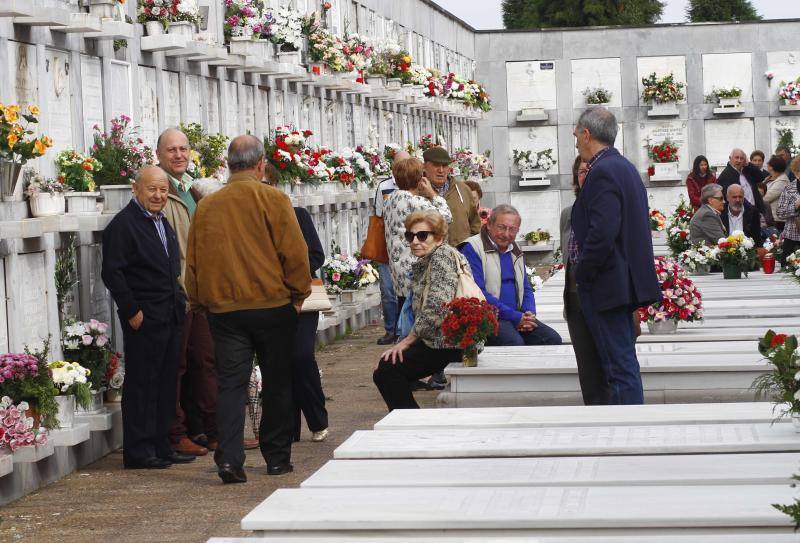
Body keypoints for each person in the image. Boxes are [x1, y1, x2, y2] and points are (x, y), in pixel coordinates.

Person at [185, 135, 311, 483]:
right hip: (272, 305)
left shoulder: (208, 206)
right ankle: (276, 458)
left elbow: (193, 260)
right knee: (277, 382)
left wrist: (198, 302)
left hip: (224, 310)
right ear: (260, 165)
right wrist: (298, 295)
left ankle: (229, 459)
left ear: (228, 164)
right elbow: (294, 253)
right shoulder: (273, 198)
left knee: (230, 384)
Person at [101, 165, 192, 469]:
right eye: (152, 189)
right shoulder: (123, 225)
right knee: (143, 384)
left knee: (166, 383)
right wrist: (131, 311)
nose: (158, 195)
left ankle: (162, 445)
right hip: (144, 317)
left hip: (170, 314)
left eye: (163, 190)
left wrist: (180, 301)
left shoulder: (161, 222)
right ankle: (139, 451)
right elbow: (112, 272)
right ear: (136, 189)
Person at [570, 106, 660, 405]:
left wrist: (582, 274)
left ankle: (627, 433)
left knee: (617, 368)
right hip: (620, 282)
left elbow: (602, 234)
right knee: (622, 363)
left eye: (576, 132)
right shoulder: (623, 167)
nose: (574, 138)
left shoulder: (603, 172)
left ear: (587, 134)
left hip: (607, 285)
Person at [157, 128, 219, 457]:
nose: (179, 155)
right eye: (171, 150)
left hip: (200, 291)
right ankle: (176, 431)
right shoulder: (159, 191)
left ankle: (212, 430)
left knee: (205, 360)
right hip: (179, 293)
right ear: (159, 155)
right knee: (178, 365)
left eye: (183, 149)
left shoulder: (192, 189)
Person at [262, 163, 329, 444]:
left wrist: (292, 276)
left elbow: (316, 255)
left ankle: (317, 418)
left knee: (301, 356)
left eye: (266, 186)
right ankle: (288, 426)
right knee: (279, 361)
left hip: (300, 296)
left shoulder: (297, 215)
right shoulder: (249, 222)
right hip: (268, 300)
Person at [373, 210, 466, 411]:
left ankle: (410, 422)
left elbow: (437, 307)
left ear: (439, 238)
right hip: (440, 338)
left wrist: (407, 341)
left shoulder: (442, 257)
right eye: (410, 236)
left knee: (388, 371)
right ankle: (410, 420)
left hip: (450, 342)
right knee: (388, 368)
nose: (415, 241)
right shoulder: (429, 259)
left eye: (422, 235)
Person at [460, 204, 562, 346]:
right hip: (489, 317)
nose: (507, 234)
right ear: (489, 225)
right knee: (514, 343)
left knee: (552, 339)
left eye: (512, 229)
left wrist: (528, 314)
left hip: (517, 314)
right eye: (501, 227)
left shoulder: (515, 248)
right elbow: (478, 294)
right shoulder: (472, 248)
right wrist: (516, 317)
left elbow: (526, 287)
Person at [561, 156, 609, 405]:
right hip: (574, 298)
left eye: (589, 171)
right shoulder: (567, 214)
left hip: (601, 298)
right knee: (586, 367)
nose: (585, 176)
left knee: (608, 364)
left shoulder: (606, 210)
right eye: (580, 171)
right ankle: (594, 413)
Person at [383, 157, 452, 310]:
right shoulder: (415, 202)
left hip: (397, 267)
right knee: (414, 313)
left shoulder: (389, 200)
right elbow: (446, 217)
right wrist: (433, 195)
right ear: (420, 178)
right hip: (415, 267)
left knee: (402, 309)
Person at [373, 150, 411, 345]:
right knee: (388, 291)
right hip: (389, 248)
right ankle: (390, 330)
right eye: (398, 165)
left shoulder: (416, 189)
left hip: (410, 252)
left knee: (407, 294)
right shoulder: (385, 186)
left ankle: (402, 332)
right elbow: (378, 217)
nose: (401, 169)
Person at [422, 147, 480, 246]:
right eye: (436, 165)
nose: (441, 170)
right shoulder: (416, 191)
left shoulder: (463, 189)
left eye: (444, 166)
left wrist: (469, 249)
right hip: (428, 257)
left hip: (461, 256)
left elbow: (475, 225)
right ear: (424, 167)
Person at [716, 148, 765, 213]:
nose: (739, 161)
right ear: (730, 158)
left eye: (741, 158)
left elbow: (761, 177)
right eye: (736, 158)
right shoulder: (726, 175)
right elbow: (728, 198)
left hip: (755, 210)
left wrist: (748, 164)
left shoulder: (746, 171)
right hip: (742, 212)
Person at [777, 157, 800, 262]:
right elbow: (780, 212)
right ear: (795, 172)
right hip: (792, 236)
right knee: (786, 268)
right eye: (798, 171)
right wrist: (795, 206)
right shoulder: (788, 188)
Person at [764, 155, 789, 232]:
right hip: (769, 217)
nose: (767, 165)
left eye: (768, 164)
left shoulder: (782, 181)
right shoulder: (769, 178)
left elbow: (766, 197)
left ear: (771, 167)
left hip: (777, 220)